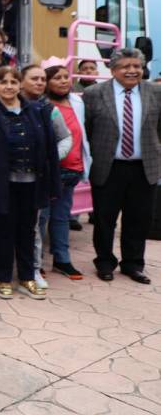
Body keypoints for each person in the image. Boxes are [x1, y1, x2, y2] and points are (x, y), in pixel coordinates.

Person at [0, 67, 60, 300]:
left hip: (32, 184)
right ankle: (3, 278)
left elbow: (50, 150)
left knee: (27, 232)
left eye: (14, 82)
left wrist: (53, 185)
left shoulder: (37, 111)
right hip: (4, 186)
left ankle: (26, 278)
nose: (9, 86)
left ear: (20, 84)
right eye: (3, 82)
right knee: (5, 232)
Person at [83, 47, 161, 284]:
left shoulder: (155, 93)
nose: (132, 71)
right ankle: (105, 262)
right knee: (105, 219)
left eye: (137, 66)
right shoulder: (94, 93)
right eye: (126, 66)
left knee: (139, 219)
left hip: (143, 166)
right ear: (113, 69)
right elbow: (87, 130)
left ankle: (133, 264)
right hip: (109, 166)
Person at [20, 64, 72, 290]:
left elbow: (65, 139)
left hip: (38, 177)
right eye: (34, 79)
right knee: (5, 225)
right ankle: (2, 269)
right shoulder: (7, 106)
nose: (40, 83)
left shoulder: (49, 109)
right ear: (21, 81)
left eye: (42, 79)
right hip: (10, 176)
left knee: (36, 225)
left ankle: (34, 267)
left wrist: (51, 158)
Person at [43, 59, 91, 261]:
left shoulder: (77, 102)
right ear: (46, 82)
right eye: (57, 78)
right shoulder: (42, 105)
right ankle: (36, 262)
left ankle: (62, 258)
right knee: (41, 216)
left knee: (62, 216)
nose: (63, 81)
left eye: (66, 77)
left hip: (72, 168)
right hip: (48, 170)